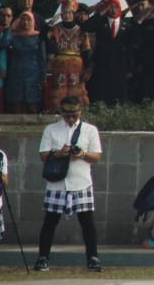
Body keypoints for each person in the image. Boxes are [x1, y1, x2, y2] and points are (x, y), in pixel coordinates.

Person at [35, 95, 104, 273]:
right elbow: (43, 155)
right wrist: (59, 153)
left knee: (87, 222)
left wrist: (81, 154)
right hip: (57, 183)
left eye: (74, 114)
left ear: (80, 111)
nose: (71, 118)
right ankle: (43, 258)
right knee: (50, 221)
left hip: (81, 181)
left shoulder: (90, 130)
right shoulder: (51, 130)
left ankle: (93, 258)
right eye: (66, 115)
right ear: (61, 113)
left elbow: (96, 157)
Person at [45, 0, 90, 111]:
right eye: (64, 12)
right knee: (59, 88)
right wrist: (50, 23)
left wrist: (88, 68)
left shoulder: (81, 30)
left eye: (70, 13)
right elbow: (45, 38)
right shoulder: (56, 29)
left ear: (74, 14)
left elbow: (86, 50)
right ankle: (58, 110)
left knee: (76, 89)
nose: (67, 15)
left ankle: (77, 110)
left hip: (77, 66)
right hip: (60, 65)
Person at [84, 0, 131, 105]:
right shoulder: (101, 23)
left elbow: (129, 47)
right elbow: (86, 26)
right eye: (111, 7)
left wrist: (130, 66)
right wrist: (101, 12)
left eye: (116, 7)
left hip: (120, 65)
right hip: (103, 63)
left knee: (119, 95)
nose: (113, 10)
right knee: (102, 94)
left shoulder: (126, 25)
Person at [4, 12, 47, 113]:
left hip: (34, 72)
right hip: (16, 72)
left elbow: (42, 57)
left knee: (33, 103)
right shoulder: (14, 36)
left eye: (29, 20)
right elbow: (3, 44)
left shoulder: (38, 37)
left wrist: (43, 76)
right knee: (16, 102)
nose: (26, 23)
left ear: (33, 22)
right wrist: (11, 29)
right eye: (23, 20)